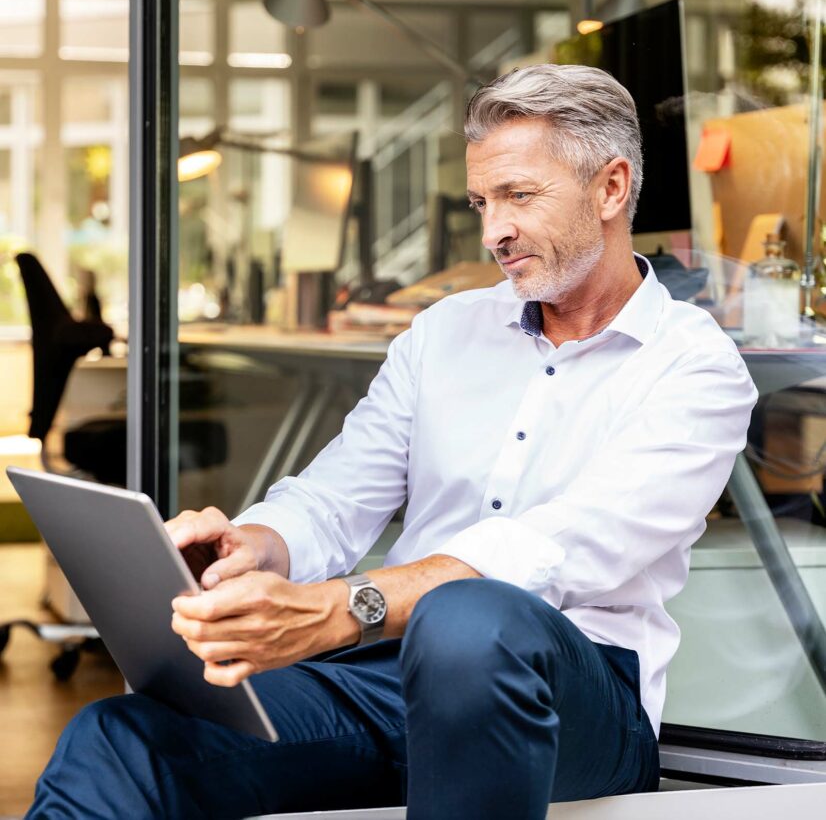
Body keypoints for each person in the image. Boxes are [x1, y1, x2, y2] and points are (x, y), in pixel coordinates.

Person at [27, 64, 757, 820]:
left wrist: (345, 606)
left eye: (519, 196)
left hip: (581, 696)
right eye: (481, 202)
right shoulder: (444, 332)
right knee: (119, 737)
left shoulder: (694, 366)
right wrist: (254, 545)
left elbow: (559, 548)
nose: (492, 232)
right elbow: (336, 496)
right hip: (390, 676)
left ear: (610, 189)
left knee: (470, 620)